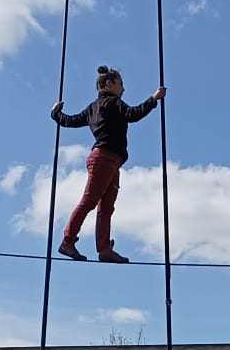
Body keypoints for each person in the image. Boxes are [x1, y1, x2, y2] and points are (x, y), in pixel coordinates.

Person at [52, 65, 165, 263]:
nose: (123, 89)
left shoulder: (92, 108)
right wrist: (153, 99)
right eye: (121, 84)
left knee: (106, 207)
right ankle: (68, 241)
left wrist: (56, 115)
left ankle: (104, 249)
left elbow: (70, 121)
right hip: (104, 158)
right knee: (90, 201)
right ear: (109, 84)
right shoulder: (114, 103)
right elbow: (134, 114)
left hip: (110, 161)